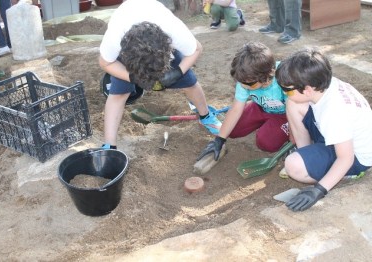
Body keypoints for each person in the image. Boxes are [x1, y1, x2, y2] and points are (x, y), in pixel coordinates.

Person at [99, 0, 222, 149]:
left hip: (160, 45)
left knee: (190, 82)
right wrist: (132, 77)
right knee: (118, 94)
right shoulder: (115, 39)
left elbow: (197, 49)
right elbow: (105, 63)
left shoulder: (173, 31)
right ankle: (109, 145)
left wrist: (177, 73)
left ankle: (206, 115)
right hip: (131, 49)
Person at [275, 48, 372, 212]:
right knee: (293, 103)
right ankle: (308, 155)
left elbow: (345, 158)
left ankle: (344, 175)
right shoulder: (323, 84)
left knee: (293, 166)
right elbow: (299, 102)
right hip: (343, 139)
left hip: (356, 158)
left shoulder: (334, 112)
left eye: (287, 89)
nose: (284, 92)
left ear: (308, 89)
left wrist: (318, 190)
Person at [197, 42, 289, 162]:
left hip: (285, 114)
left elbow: (296, 112)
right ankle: (262, 121)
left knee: (266, 143)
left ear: (269, 74)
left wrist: (294, 141)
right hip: (259, 107)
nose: (243, 87)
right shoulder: (246, 79)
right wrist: (219, 140)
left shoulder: (285, 78)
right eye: (240, 82)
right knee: (232, 131)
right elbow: (235, 109)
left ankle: (278, 130)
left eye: (249, 84)